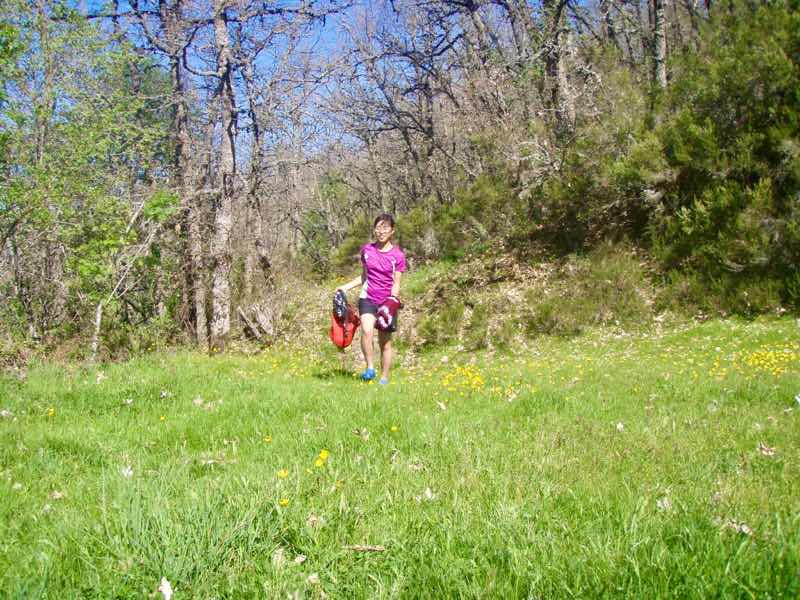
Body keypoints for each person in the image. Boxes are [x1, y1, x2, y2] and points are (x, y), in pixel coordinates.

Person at [336, 213, 406, 385]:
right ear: (374, 230)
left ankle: (384, 378)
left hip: (386, 302)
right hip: (367, 298)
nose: (381, 231)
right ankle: (370, 368)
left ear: (392, 231)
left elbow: (396, 283)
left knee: (385, 343)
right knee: (366, 331)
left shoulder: (398, 256)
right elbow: (364, 277)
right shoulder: (367, 250)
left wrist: (392, 301)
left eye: (385, 228)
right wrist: (345, 287)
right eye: (378, 227)